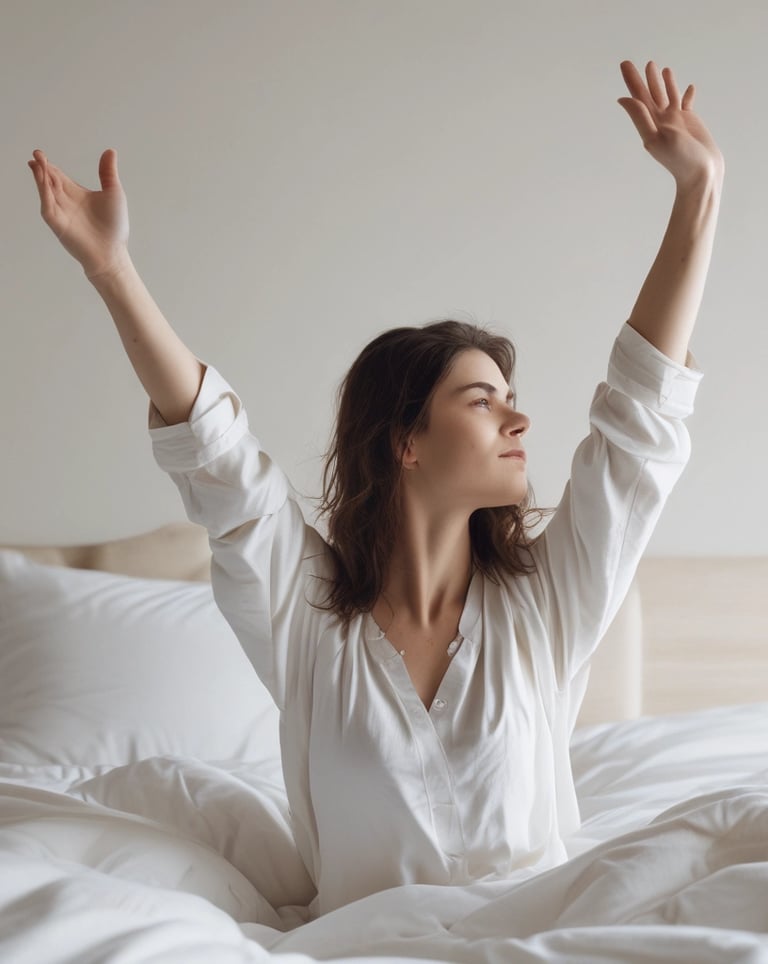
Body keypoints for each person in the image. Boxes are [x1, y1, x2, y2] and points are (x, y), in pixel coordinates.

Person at [28, 60, 724, 917]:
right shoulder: (311, 618)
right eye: (483, 401)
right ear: (405, 443)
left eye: (513, 400)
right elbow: (219, 461)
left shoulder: (548, 603)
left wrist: (698, 197)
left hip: (536, 938)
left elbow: (636, 430)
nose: (520, 423)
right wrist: (111, 269)